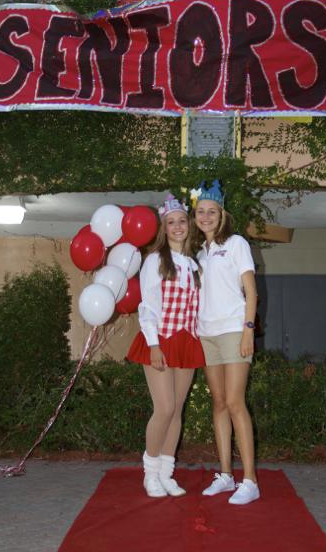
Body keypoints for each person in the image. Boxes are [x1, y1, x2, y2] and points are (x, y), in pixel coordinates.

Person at [127, 195, 205, 498]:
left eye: (181, 221)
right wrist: (154, 344)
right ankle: (150, 473)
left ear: (189, 225)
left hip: (187, 340)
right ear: (164, 227)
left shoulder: (195, 264)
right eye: (171, 222)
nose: (177, 226)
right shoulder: (155, 260)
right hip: (160, 339)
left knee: (177, 411)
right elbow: (147, 305)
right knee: (165, 407)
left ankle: (166, 473)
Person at [190, 180, 260, 506]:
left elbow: (251, 291)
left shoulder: (236, 244)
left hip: (233, 330)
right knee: (217, 403)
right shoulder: (198, 253)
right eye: (201, 211)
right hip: (206, 334)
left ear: (222, 214)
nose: (206, 216)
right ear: (195, 215)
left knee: (235, 402)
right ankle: (226, 475)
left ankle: (250, 480)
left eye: (212, 211)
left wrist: (248, 329)